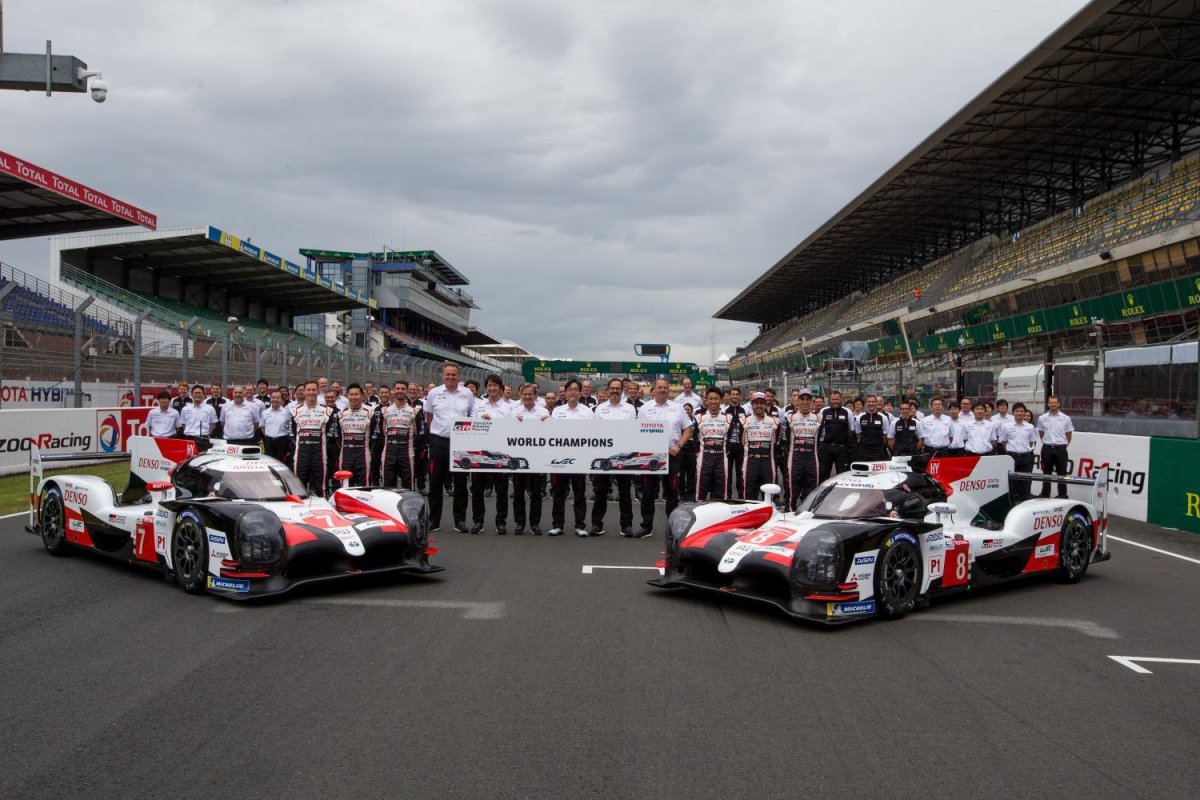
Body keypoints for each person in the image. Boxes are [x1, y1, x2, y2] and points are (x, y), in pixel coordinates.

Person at [636, 379, 692, 537]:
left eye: (665, 387)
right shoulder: (645, 409)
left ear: (669, 390)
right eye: (659, 387)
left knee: (672, 493)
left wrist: (679, 446)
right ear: (653, 390)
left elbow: (688, 429)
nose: (662, 390)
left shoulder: (677, 408)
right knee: (647, 493)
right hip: (650, 456)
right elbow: (637, 431)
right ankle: (646, 526)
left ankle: (672, 528)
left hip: (671, 455)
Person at [425, 362, 477, 532]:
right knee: (435, 483)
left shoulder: (467, 393)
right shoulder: (434, 393)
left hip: (461, 442)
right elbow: (429, 416)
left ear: (458, 376)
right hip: (439, 441)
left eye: (453, 375)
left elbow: (471, 414)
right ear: (443, 375)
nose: (450, 377)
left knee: (461, 483)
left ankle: (460, 521)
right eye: (448, 374)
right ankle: (434, 520)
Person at [591, 378, 636, 537]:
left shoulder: (630, 409)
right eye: (612, 388)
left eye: (618, 388)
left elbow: (633, 431)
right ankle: (596, 524)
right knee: (601, 491)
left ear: (621, 390)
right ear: (607, 390)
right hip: (604, 456)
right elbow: (595, 432)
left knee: (625, 492)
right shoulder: (599, 409)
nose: (615, 391)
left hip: (624, 456)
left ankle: (626, 525)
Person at [550, 378, 592, 537]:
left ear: (580, 392)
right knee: (559, 493)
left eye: (576, 389)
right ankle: (557, 525)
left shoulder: (588, 412)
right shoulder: (557, 411)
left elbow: (593, 435)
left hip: (580, 459)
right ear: (565, 393)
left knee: (580, 493)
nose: (573, 392)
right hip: (560, 459)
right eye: (570, 389)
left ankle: (580, 525)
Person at [470, 374, 512, 534]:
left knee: (501, 490)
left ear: (501, 388)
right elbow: (470, 425)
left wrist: (492, 421)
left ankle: (501, 522)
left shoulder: (508, 407)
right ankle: (478, 522)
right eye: (489, 385)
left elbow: (511, 428)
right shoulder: (478, 405)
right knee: (477, 489)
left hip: (500, 452)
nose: (492, 388)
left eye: (495, 385)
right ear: (486, 388)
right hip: (479, 451)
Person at [291, 380, 340, 496]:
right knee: (299, 486)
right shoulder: (296, 411)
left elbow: (329, 432)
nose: (311, 392)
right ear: (303, 392)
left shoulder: (327, 411)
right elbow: (293, 433)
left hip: (319, 454)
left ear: (318, 391)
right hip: (301, 454)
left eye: (313, 390)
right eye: (308, 390)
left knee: (320, 486)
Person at [511, 383, 549, 535]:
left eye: (530, 394)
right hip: (518, 456)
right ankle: (520, 523)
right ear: (520, 395)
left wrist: (546, 422)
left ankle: (535, 523)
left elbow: (549, 433)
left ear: (535, 395)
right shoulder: (513, 411)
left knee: (536, 493)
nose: (527, 397)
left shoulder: (543, 411)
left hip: (536, 457)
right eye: (524, 394)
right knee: (518, 492)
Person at [372, 381, 418, 490]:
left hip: (406, 451)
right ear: (393, 391)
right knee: (387, 484)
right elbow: (382, 432)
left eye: (403, 389)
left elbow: (417, 434)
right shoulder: (384, 411)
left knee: (408, 484)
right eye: (398, 388)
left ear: (406, 391)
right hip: (389, 451)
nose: (400, 391)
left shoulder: (414, 411)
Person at [782, 388, 820, 510]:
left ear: (811, 401)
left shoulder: (818, 418)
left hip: (812, 459)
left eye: (808, 399)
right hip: (795, 459)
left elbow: (821, 441)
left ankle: (807, 515)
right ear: (797, 401)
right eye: (802, 399)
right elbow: (784, 439)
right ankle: (790, 514)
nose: (805, 402)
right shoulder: (790, 418)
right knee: (793, 491)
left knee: (811, 491)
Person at [694, 387, 734, 501]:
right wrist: (698, 454)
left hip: (721, 459)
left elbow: (731, 440)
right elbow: (694, 440)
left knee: (721, 493)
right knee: (700, 493)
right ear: (706, 400)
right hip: (704, 459)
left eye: (716, 399)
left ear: (720, 400)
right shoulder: (699, 418)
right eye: (710, 398)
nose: (713, 401)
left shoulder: (728, 419)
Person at [1037, 395, 1073, 499]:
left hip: (1061, 449)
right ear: (1048, 404)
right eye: (1051, 402)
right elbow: (1041, 433)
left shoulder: (1066, 418)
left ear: (1058, 404)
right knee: (1046, 473)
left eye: (1055, 402)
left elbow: (1069, 435)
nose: (1053, 404)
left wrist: (1062, 445)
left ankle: (1062, 495)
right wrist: (1048, 442)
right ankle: (1045, 494)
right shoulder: (1042, 418)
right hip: (1047, 448)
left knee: (1062, 473)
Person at [336, 384, 372, 487]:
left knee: (364, 486)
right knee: (345, 485)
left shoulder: (370, 414)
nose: (353, 397)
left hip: (363, 453)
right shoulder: (341, 414)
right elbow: (337, 437)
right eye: (351, 394)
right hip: (346, 453)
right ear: (347, 396)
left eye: (356, 394)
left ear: (362, 396)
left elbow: (375, 437)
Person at [1005, 403, 1038, 501]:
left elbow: (1032, 442)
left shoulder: (1030, 427)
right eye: (1017, 411)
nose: (1019, 413)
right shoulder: (1006, 426)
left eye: (1021, 411)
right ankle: (1013, 501)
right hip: (1012, 456)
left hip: (1025, 456)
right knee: (1012, 481)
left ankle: (1025, 500)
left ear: (1024, 413)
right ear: (1013, 413)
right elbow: (1003, 441)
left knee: (1025, 481)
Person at [817, 390, 853, 479]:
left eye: (837, 399)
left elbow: (852, 429)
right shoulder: (823, 411)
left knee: (842, 475)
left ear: (841, 399)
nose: (835, 401)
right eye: (833, 399)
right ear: (830, 400)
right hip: (827, 448)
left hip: (842, 449)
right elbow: (819, 429)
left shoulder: (847, 412)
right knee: (823, 475)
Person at [723, 386, 747, 498]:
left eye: (737, 394)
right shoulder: (724, 411)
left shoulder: (744, 411)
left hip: (740, 446)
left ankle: (741, 496)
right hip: (728, 446)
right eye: (733, 394)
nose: (735, 397)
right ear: (729, 396)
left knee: (740, 472)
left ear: (740, 397)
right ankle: (728, 495)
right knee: (727, 472)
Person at [856, 395, 892, 461]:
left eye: (873, 401)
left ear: (876, 403)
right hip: (864, 452)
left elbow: (885, 435)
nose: (871, 403)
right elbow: (858, 434)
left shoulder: (883, 418)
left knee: (878, 472)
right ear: (866, 403)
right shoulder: (859, 417)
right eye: (869, 402)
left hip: (878, 452)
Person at [260, 390, 293, 462]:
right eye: (273, 397)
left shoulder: (287, 412)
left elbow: (290, 426)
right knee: (269, 462)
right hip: (269, 442)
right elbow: (262, 426)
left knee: (282, 462)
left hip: (282, 441)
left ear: (281, 399)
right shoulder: (265, 412)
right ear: (270, 399)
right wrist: (267, 436)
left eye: (277, 397)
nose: (275, 399)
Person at [408, 381, 428, 494]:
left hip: (420, 439)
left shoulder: (423, 404)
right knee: (407, 465)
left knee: (420, 464)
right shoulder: (404, 403)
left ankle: (421, 486)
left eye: (414, 390)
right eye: (410, 390)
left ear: (418, 392)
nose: (412, 392)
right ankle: (409, 486)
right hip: (406, 439)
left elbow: (427, 421)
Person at [677, 402, 699, 500]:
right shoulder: (679, 421)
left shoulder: (695, 421)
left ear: (691, 411)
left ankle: (691, 493)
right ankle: (681, 493)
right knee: (681, 474)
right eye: (685, 409)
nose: (686, 411)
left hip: (692, 450)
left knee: (691, 473)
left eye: (688, 409)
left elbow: (698, 435)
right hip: (681, 449)